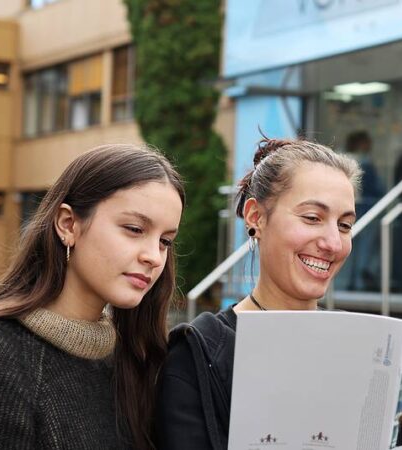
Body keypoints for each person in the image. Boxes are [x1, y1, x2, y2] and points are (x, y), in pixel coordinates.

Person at [0, 144, 185, 449]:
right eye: (134, 228)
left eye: (165, 241)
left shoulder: (137, 359)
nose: (154, 256)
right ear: (68, 224)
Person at [156, 137, 361, 450]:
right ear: (256, 217)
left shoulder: (360, 343)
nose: (333, 243)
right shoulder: (199, 353)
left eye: (345, 225)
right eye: (312, 218)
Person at [340, 130, 384, 290]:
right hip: (366, 210)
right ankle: (359, 283)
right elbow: (376, 189)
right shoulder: (364, 163)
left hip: (349, 210)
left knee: (350, 248)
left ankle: (346, 283)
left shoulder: (342, 161)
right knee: (364, 248)